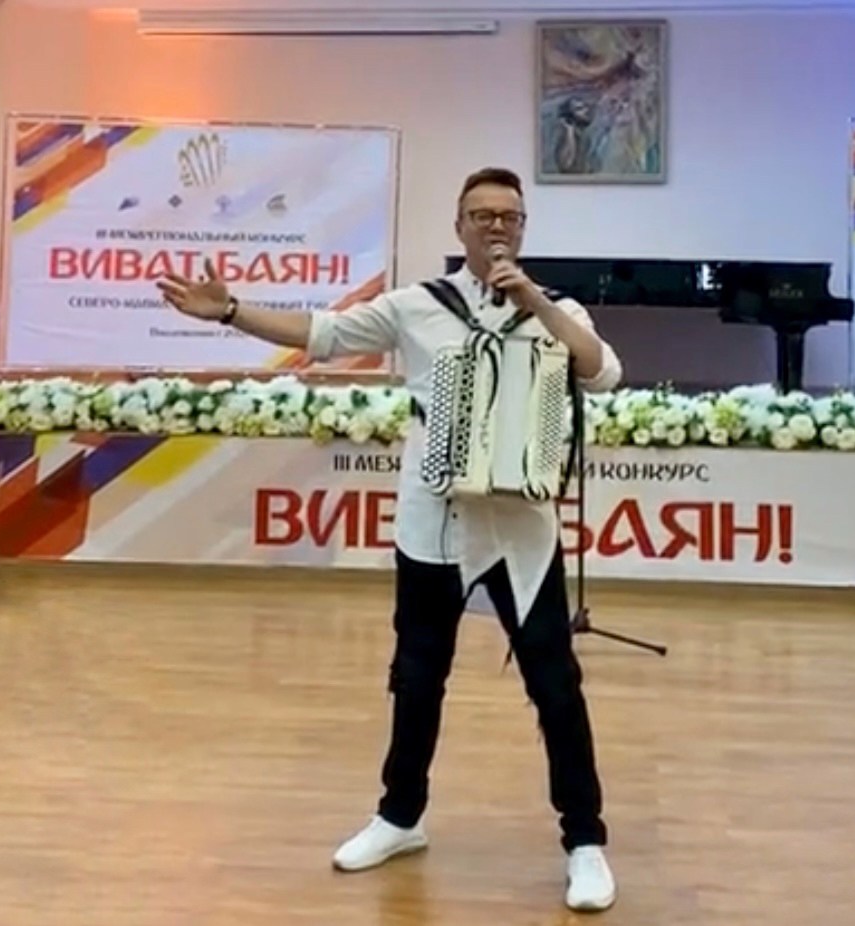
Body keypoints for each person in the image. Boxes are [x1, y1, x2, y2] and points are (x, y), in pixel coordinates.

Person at [156, 167, 623, 913]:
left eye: (508, 215)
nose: (494, 226)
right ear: (459, 226)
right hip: (432, 523)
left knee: (555, 684)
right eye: (480, 215)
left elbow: (601, 373)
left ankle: (585, 841)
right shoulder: (417, 306)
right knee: (416, 676)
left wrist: (532, 300)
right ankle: (400, 816)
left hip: (523, 534)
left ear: (523, 227)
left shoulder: (557, 310)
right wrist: (231, 311)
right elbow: (323, 334)